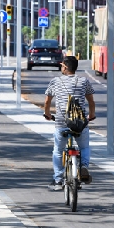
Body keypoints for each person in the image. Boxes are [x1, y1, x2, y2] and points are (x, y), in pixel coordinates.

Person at [43, 56, 96, 191]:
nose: (61, 67)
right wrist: (92, 115)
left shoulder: (55, 81)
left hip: (61, 123)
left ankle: (58, 180)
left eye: (62, 65)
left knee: (58, 151)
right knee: (84, 147)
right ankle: (83, 166)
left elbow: (47, 102)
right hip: (80, 124)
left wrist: (48, 114)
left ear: (65, 67)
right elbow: (91, 101)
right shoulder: (84, 81)